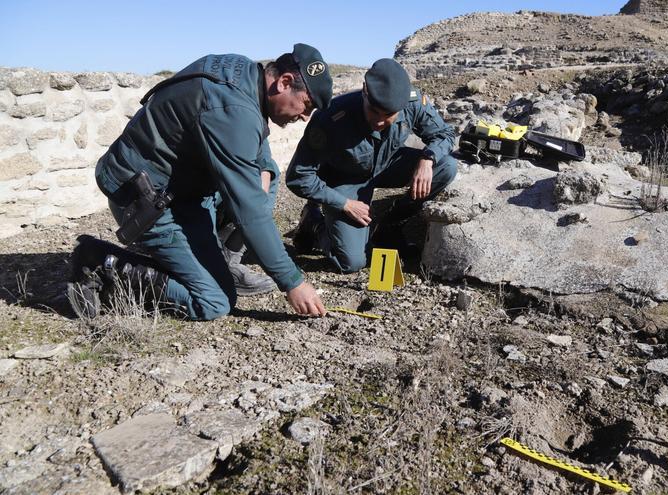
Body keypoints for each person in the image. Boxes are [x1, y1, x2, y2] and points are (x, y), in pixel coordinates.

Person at [68, 44, 332, 320]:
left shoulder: (245, 75)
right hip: (147, 200)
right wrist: (293, 282)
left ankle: (220, 264)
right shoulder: (231, 107)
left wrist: (264, 167)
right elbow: (248, 207)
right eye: (307, 105)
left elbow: (250, 128)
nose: (304, 116)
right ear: (284, 82)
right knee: (215, 302)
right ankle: (100, 261)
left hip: (183, 190)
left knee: (267, 177)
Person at [286, 58, 457, 273]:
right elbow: (298, 176)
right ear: (365, 90)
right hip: (345, 181)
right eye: (374, 111)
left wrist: (427, 159)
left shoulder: (412, 102)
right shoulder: (332, 117)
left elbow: (445, 134)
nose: (378, 121)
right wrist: (344, 203)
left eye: (388, 116)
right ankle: (315, 223)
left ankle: (391, 224)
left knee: (446, 167)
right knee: (352, 262)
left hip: (388, 165)